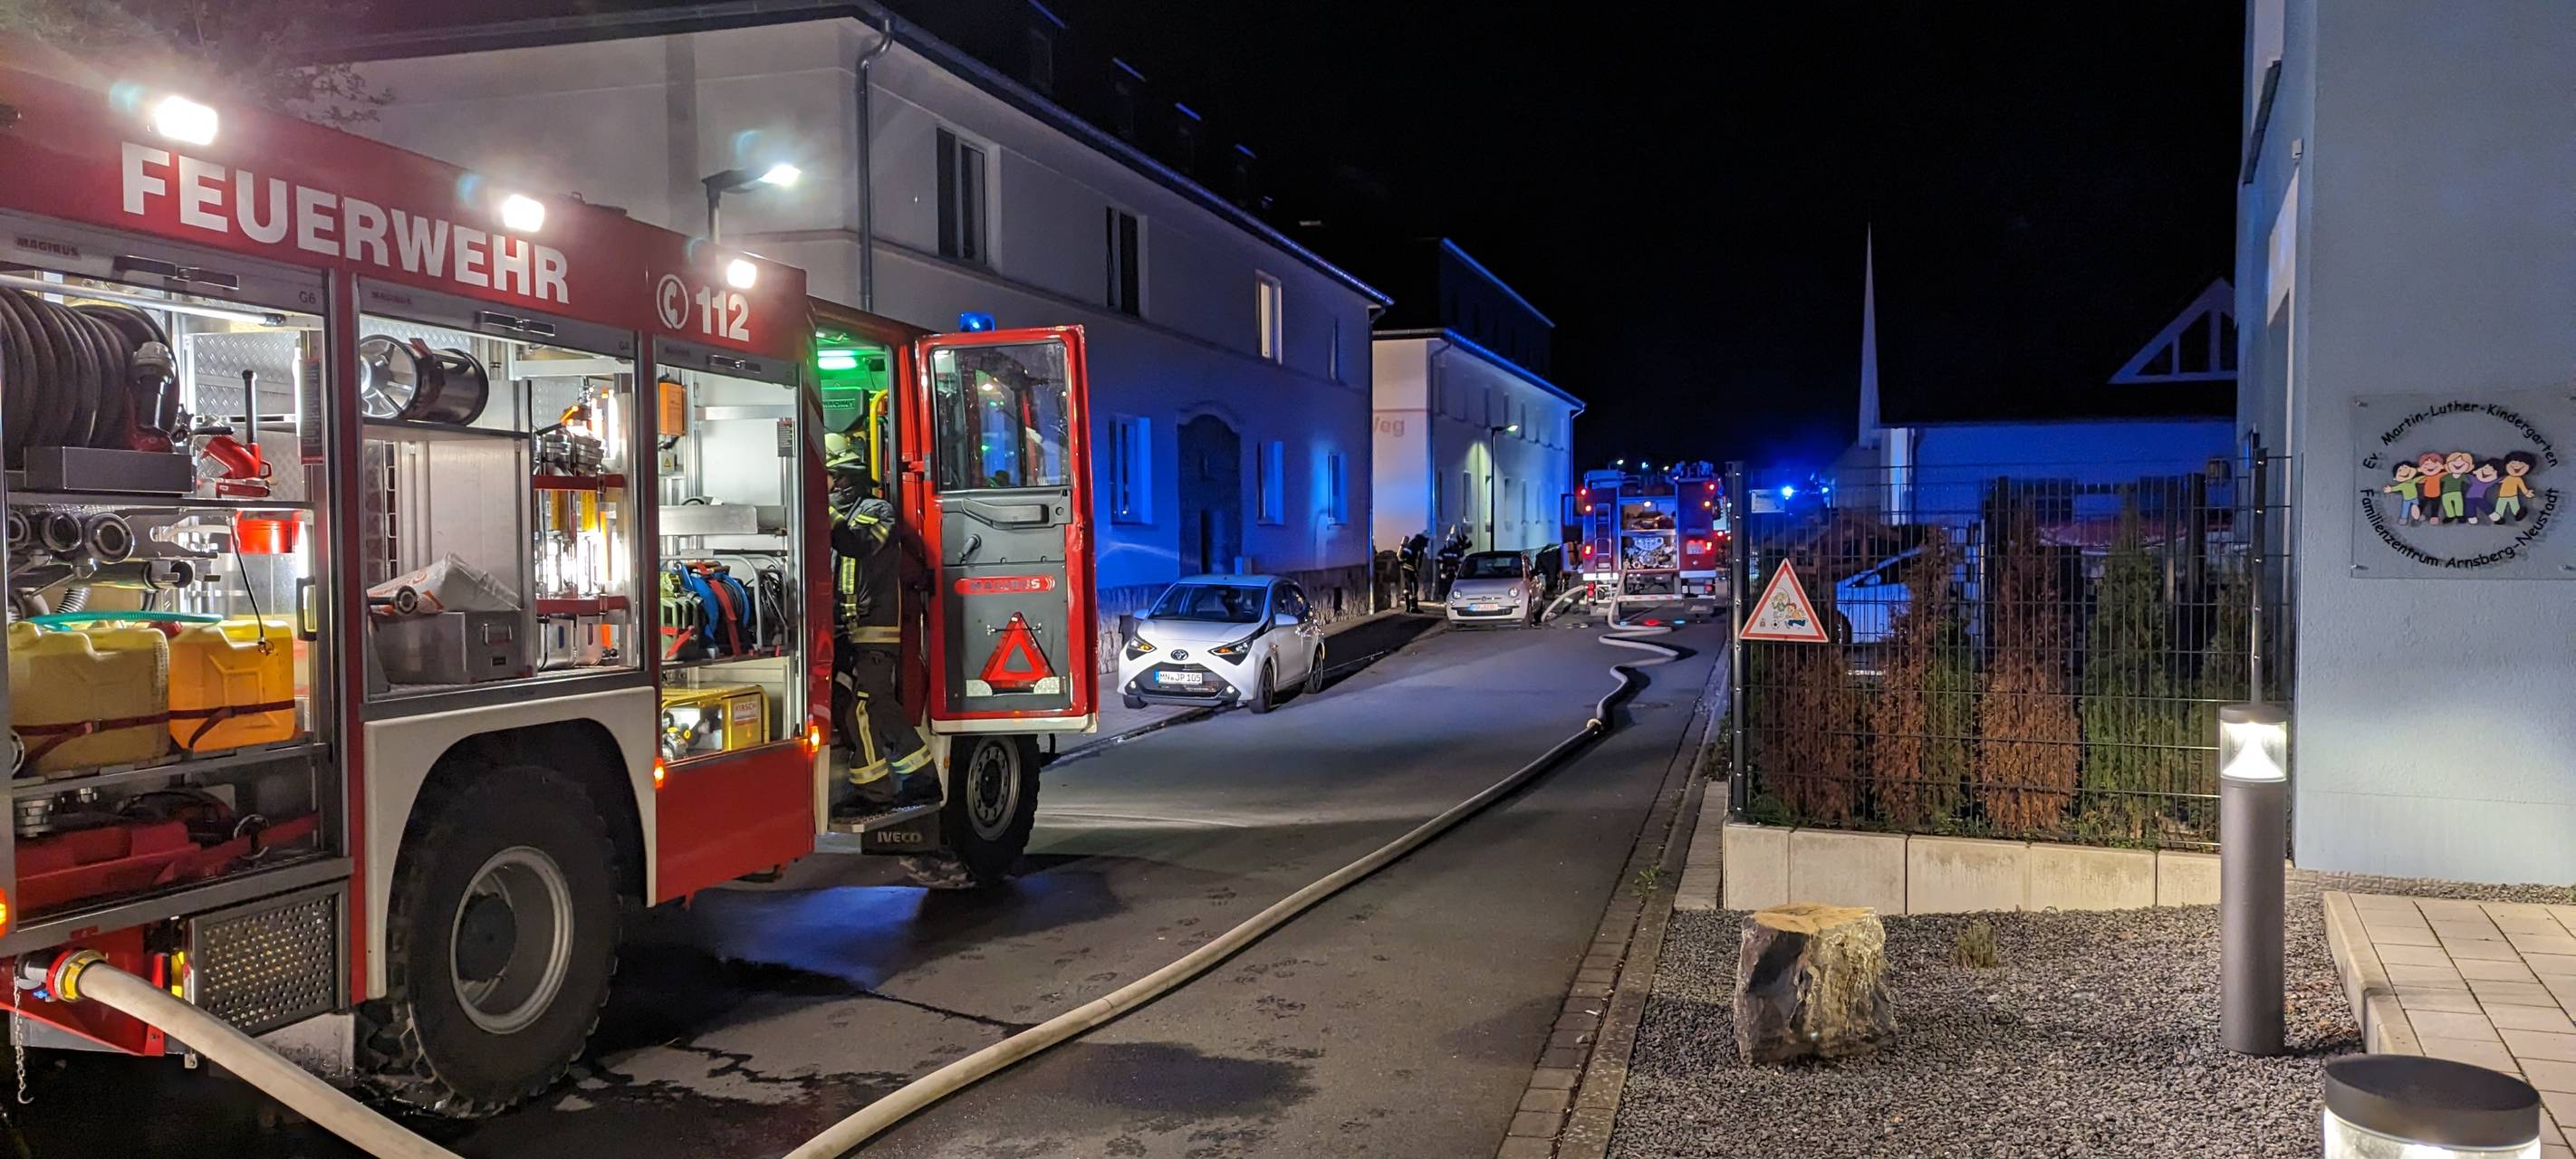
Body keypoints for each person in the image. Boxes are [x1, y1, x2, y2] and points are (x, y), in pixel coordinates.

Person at [829, 448, 939, 809]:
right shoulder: (837, 516)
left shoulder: (877, 512)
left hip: (875, 627)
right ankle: (922, 776)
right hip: (845, 628)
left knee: (860, 707)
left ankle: (874, 792)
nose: (830, 484)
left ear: (851, 477)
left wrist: (821, 511)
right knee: (880, 706)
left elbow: (855, 545)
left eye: (833, 477)